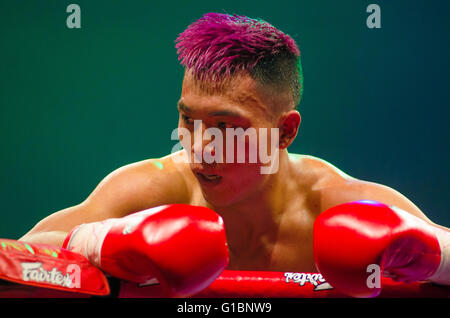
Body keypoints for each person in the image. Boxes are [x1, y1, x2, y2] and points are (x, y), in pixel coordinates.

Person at [19, 13, 449, 297]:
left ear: (285, 131)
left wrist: (429, 252)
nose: (200, 147)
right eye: (188, 120)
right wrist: (106, 242)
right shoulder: (152, 189)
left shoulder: (338, 203)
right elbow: (21, 258)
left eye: (227, 127)